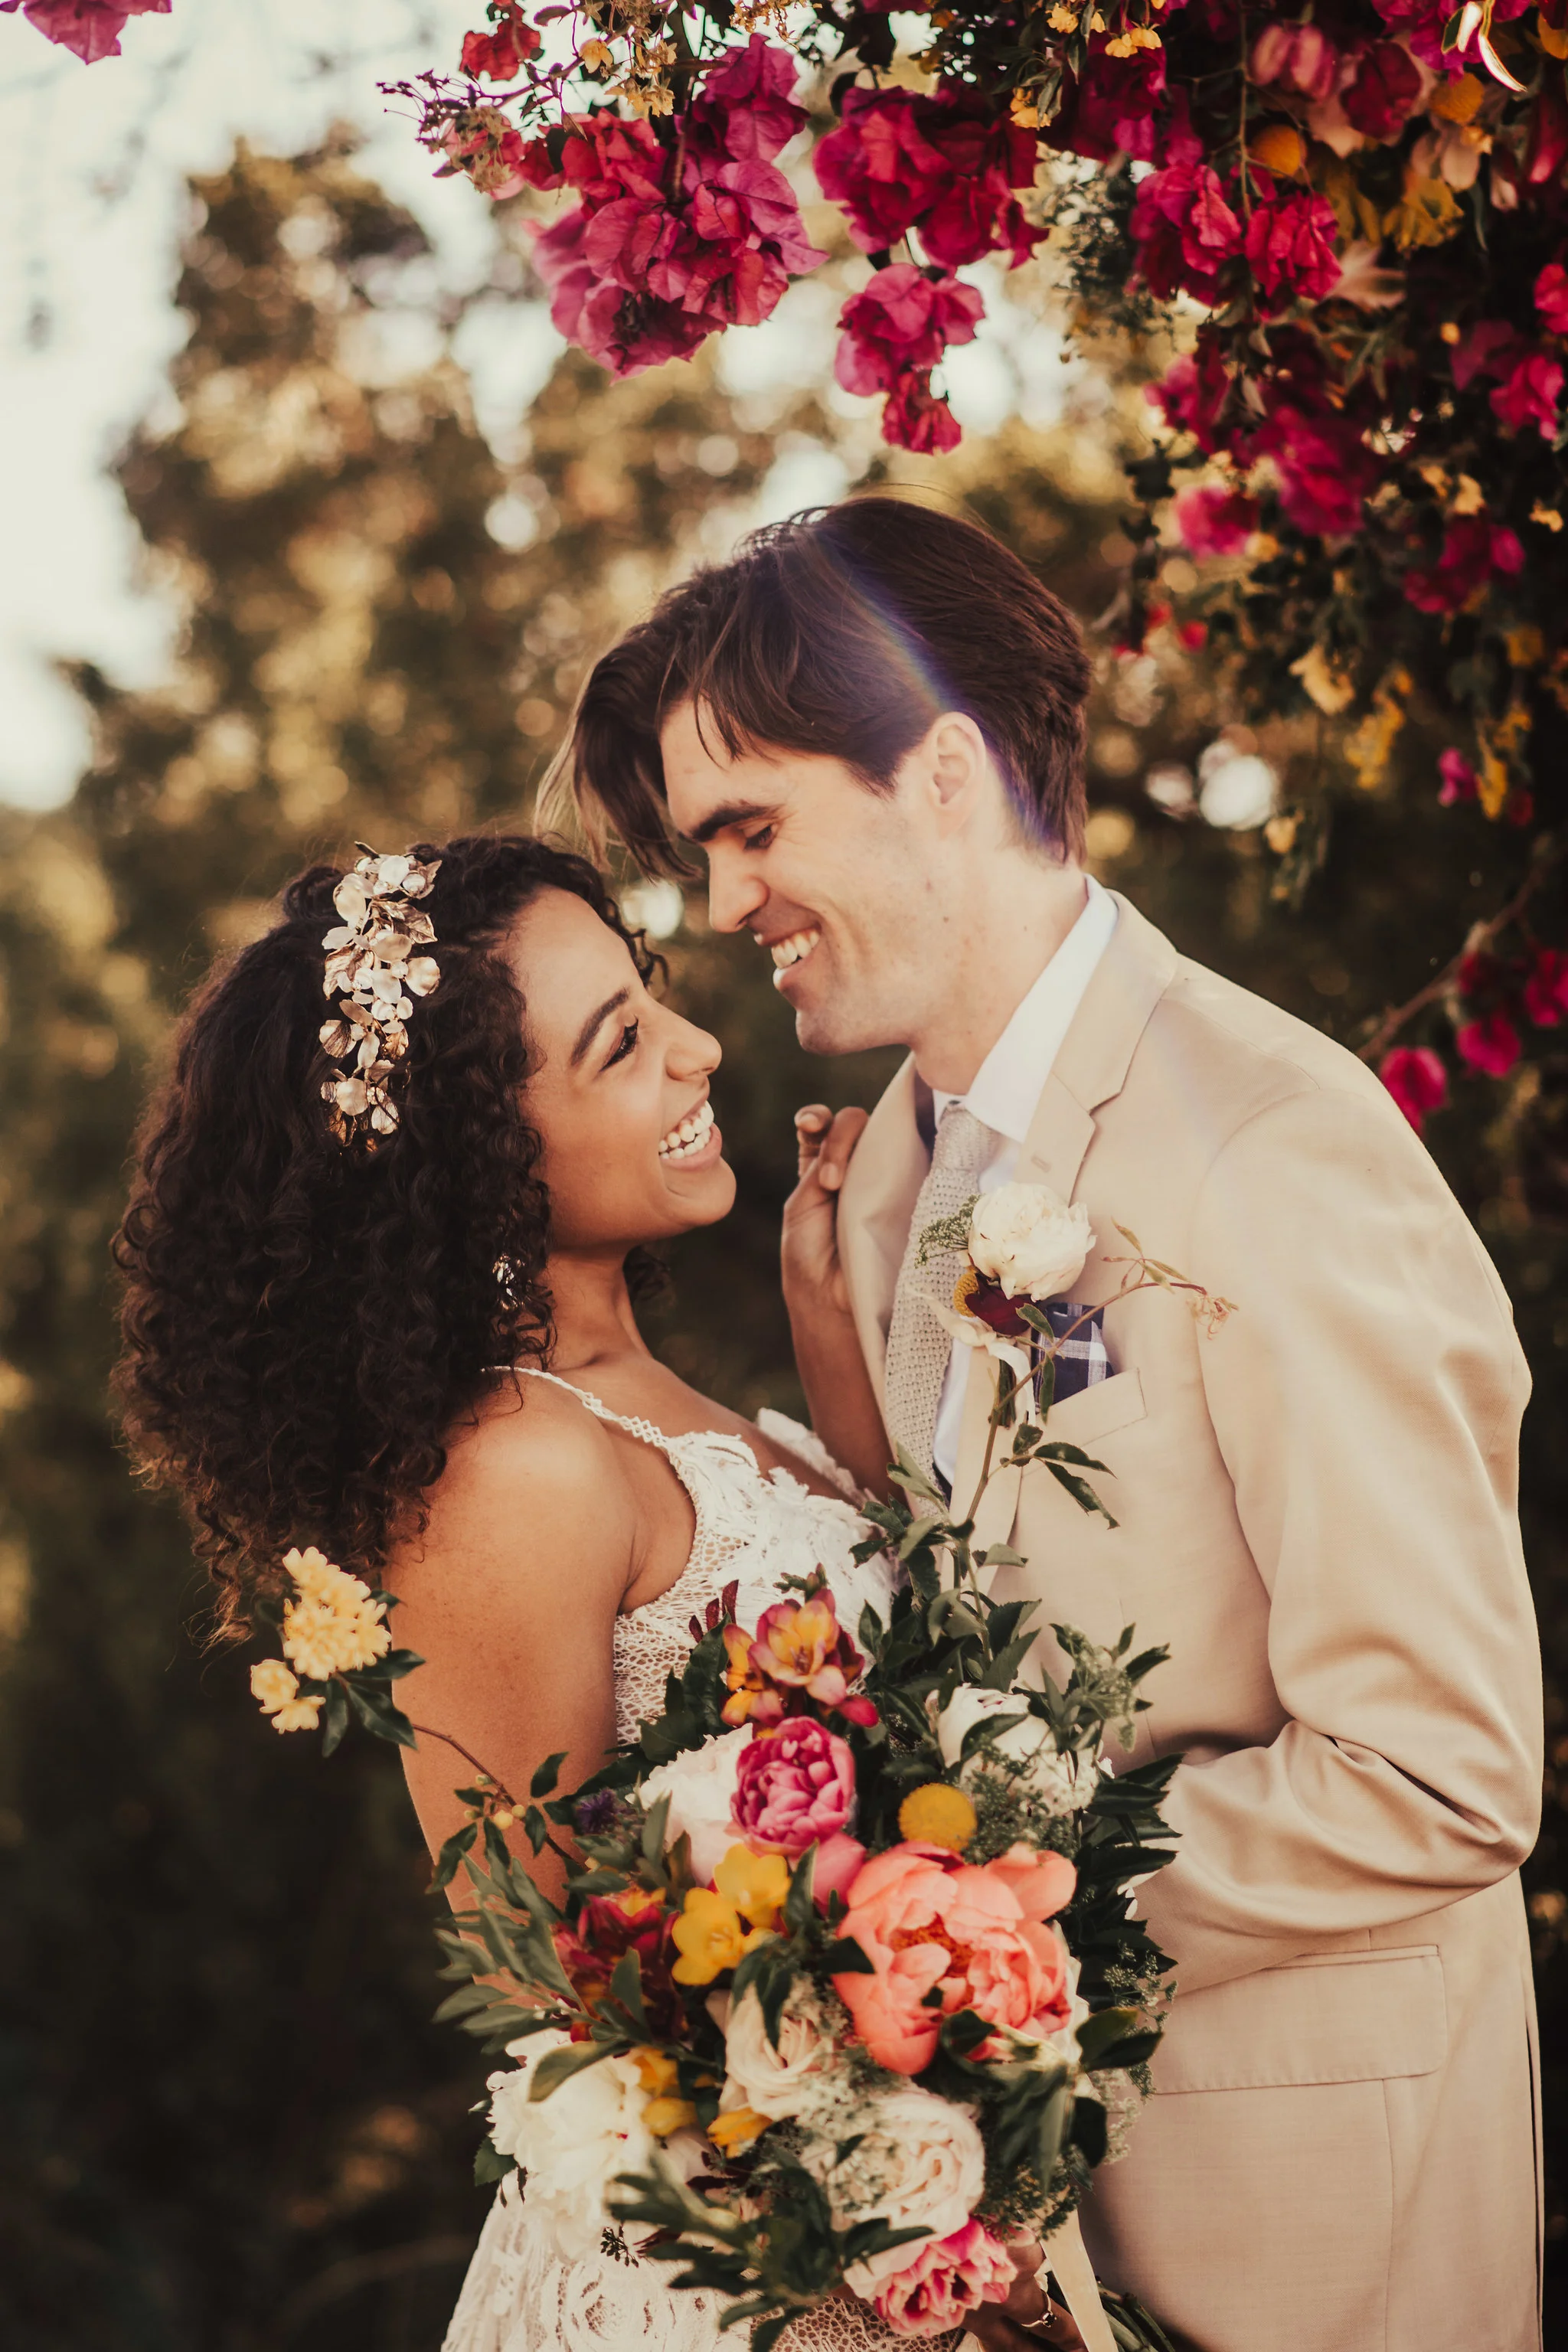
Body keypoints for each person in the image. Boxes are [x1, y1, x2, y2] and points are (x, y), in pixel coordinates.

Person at [557, 493, 1546, 2352]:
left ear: (940, 772)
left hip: (1303, 2234)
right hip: (1014, 2250)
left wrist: (976, 1930)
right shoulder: (879, 1185)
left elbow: (1442, 1771)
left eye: (749, 828)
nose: (718, 906)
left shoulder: (1272, 1144)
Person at [112, 831, 1060, 2352]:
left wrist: (836, 1357)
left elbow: (923, 1685)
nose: (695, 1050)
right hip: (734, 2284)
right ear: (477, 1156)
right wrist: (891, 2243)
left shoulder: (654, 1399)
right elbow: (551, 1988)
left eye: (652, 996)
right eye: (621, 1045)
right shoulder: (511, 1469)